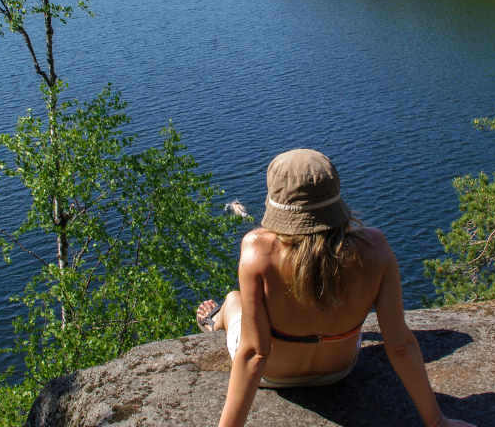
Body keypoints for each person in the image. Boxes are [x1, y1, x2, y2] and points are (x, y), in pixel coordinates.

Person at [196, 149, 476, 427]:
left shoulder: (257, 251)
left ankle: (213, 319)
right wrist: (437, 421)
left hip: (273, 374)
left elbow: (255, 353)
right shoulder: (375, 248)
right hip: (339, 368)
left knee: (235, 300)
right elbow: (400, 344)